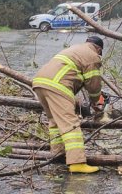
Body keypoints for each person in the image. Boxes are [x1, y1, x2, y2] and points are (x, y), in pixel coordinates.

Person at [32, 36, 106, 174]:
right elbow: (94, 84)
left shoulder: (76, 49)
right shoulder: (93, 56)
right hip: (57, 85)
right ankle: (77, 163)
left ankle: (58, 153)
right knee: (70, 123)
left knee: (55, 120)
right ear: (99, 49)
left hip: (39, 82)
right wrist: (97, 102)